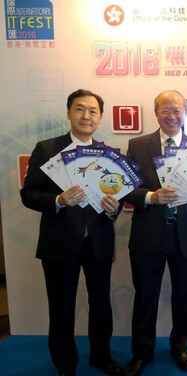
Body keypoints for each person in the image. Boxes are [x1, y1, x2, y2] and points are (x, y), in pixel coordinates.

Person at [20, 89, 123, 376]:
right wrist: (58, 200)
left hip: (99, 241)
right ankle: (65, 363)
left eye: (92, 111)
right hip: (59, 242)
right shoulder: (47, 148)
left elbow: (116, 201)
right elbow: (28, 194)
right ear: (68, 113)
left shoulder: (109, 155)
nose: (86, 116)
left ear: (100, 117)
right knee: (62, 307)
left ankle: (101, 356)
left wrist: (114, 208)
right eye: (80, 109)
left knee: (101, 304)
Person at [122, 90, 187, 376]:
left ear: (185, 113)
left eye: (177, 110)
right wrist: (152, 197)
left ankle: (181, 347)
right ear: (156, 113)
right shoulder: (138, 145)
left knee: (184, 295)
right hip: (148, 235)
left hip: (186, 235)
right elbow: (126, 187)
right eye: (166, 110)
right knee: (145, 296)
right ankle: (141, 353)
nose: (171, 115)